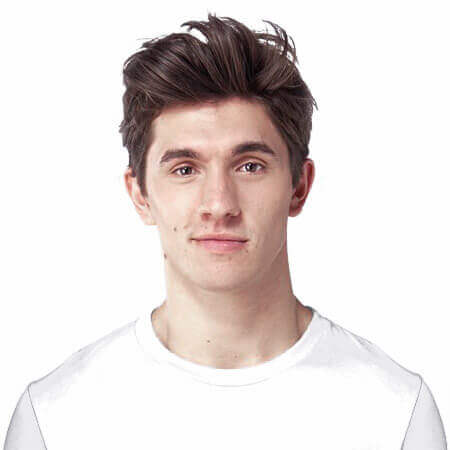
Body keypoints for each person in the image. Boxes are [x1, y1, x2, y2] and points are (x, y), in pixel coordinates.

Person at [4, 13, 447, 450]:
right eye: (185, 169)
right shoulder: (57, 418)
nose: (219, 204)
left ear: (299, 186)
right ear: (140, 195)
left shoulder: (394, 412)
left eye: (249, 166)